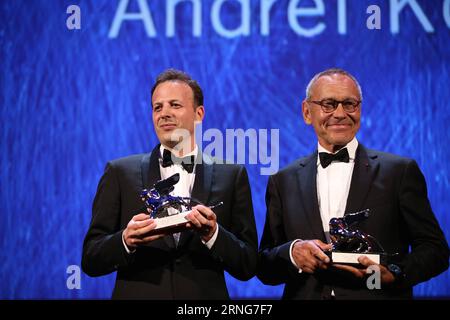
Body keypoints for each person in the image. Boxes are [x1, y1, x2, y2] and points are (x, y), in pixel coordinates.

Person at [257, 68, 449, 299]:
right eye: (328, 104)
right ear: (307, 112)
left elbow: (435, 249)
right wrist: (291, 253)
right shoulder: (283, 180)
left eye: (349, 104)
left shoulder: (399, 172)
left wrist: (394, 274)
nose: (340, 113)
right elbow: (265, 267)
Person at [82, 69, 258, 299]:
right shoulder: (119, 173)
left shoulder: (232, 175)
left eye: (175, 105)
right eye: (158, 107)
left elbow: (248, 265)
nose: (164, 113)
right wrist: (125, 240)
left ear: (199, 113)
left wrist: (214, 234)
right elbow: (91, 258)